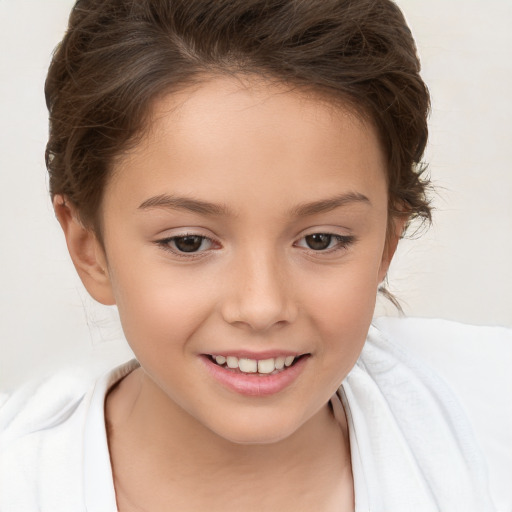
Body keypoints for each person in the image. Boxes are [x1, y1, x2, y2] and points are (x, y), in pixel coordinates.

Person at [0, 0, 507, 510]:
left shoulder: (491, 418)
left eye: (321, 240)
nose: (261, 307)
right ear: (90, 250)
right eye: (189, 242)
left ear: (386, 244)